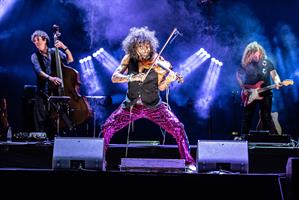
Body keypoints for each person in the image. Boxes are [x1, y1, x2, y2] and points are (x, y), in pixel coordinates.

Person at [100, 27, 196, 171]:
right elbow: (114, 77)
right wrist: (132, 76)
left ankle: (189, 163)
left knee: (178, 128)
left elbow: (162, 87)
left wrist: (169, 79)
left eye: (147, 47)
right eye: (141, 47)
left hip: (154, 106)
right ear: (134, 47)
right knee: (107, 128)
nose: (145, 50)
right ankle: (99, 160)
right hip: (131, 105)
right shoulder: (128, 58)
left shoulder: (157, 60)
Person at [30, 30, 74, 139]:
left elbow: (70, 59)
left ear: (45, 39)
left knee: (56, 119)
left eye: (38, 40)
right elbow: (38, 71)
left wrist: (64, 47)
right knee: (40, 119)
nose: (36, 43)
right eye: (34, 41)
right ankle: (40, 145)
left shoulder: (55, 51)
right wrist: (50, 78)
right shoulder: (34, 56)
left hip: (57, 92)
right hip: (42, 91)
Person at [236, 41, 282, 136]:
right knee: (247, 117)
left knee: (266, 117)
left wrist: (277, 82)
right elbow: (238, 75)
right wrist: (243, 88)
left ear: (260, 51)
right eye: (252, 54)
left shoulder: (267, 62)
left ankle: (265, 140)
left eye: (256, 53)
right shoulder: (246, 64)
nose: (254, 56)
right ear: (249, 54)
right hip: (249, 94)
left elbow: (274, 74)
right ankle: (244, 138)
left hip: (266, 93)